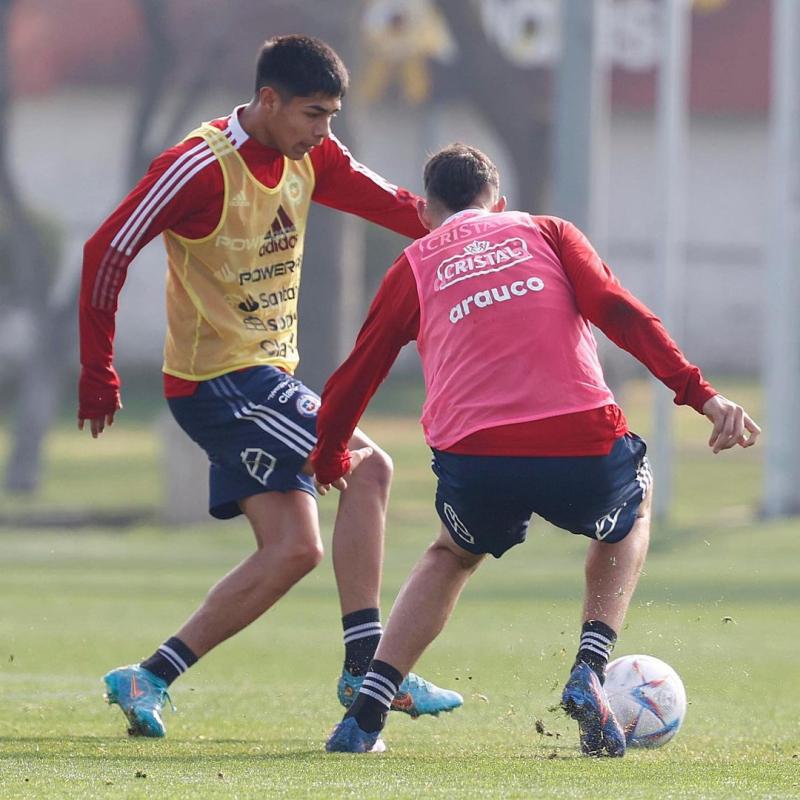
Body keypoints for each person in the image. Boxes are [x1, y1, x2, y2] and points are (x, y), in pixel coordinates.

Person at [311, 143, 761, 756]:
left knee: (452, 555)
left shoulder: (414, 262)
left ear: (426, 213)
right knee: (633, 506)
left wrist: (330, 454)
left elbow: (359, 370)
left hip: (475, 456)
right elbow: (617, 311)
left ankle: (364, 717)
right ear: (498, 202)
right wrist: (700, 394)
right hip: (580, 438)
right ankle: (590, 666)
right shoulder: (547, 231)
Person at [78, 34, 462, 740]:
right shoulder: (196, 166)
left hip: (263, 380)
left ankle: (148, 676)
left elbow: (399, 208)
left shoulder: (311, 155)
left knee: (294, 549)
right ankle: (367, 671)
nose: (324, 132)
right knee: (371, 468)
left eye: (332, 117)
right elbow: (107, 248)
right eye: (314, 115)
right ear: (269, 100)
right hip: (220, 382)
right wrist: (98, 369)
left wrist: (474, 230)